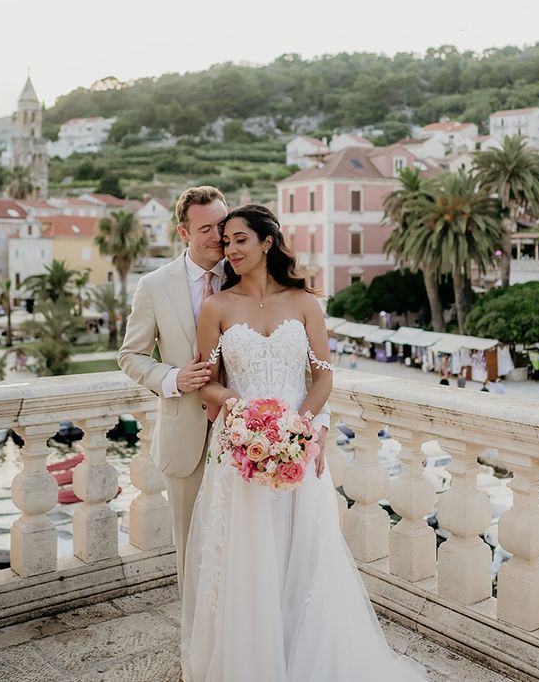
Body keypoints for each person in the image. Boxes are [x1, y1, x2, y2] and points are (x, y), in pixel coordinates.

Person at [182, 204, 426, 682]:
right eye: (226, 242)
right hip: (241, 449)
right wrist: (234, 402)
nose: (229, 250)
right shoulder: (217, 306)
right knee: (249, 559)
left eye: (239, 240)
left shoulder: (305, 303)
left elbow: (323, 374)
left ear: (267, 242)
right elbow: (204, 380)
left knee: (306, 552)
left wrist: (303, 426)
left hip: (299, 447)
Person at [118, 186, 228, 592]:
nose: (218, 235)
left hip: (244, 434)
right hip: (185, 438)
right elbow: (130, 356)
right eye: (206, 229)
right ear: (184, 234)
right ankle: (195, 642)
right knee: (190, 547)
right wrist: (172, 379)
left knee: (241, 544)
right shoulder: (154, 286)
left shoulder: (246, 277)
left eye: (222, 224)